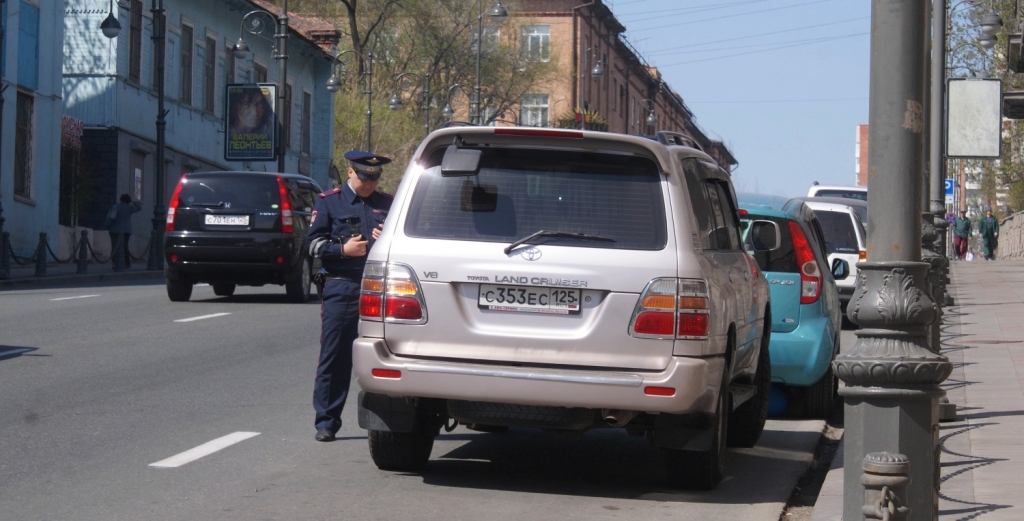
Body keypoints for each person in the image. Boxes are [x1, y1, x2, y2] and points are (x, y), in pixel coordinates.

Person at [305, 150, 394, 442]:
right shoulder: (329, 201)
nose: (370, 183)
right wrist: (342, 250)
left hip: (381, 288)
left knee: (390, 353)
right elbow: (312, 246)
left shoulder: (388, 204)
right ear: (350, 171)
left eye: (375, 177)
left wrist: (389, 240)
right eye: (365, 176)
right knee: (336, 355)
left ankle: (391, 420)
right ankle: (327, 422)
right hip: (343, 285)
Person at [108, 193, 142, 269]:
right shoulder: (129, 208)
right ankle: (127, 263)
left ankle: (114, 263)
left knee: (114, 247)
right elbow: (139, 207)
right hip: (126, 230)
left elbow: (110, 217)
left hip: (115, 229)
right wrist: (133, 201)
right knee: (125, 247)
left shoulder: (116, 206)